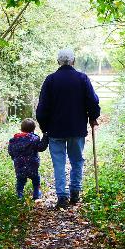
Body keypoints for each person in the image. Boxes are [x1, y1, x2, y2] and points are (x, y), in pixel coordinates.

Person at [36, 49, 100, 208]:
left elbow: (42, 109)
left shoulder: (50, 80)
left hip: (55, 130)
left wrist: (45, 128)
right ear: (73, 61)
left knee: (59, 163)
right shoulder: (82, 78)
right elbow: (92, 101)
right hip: (76, 128)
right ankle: (75, 193)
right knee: (77, 160)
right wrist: (93, 116)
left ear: (58, 62)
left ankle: (62, 197)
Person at [8, 118, 49, 200]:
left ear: (21, 128)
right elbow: (41, 148)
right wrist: (45, 137)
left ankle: (20, 195)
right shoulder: (34, 139)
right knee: (36, 179)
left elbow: (10, 151)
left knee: (20, 180)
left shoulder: (13, 140)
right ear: (33, 129)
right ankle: (36, 194)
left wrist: (15, 158)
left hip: (19, 164)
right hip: (32, 164)